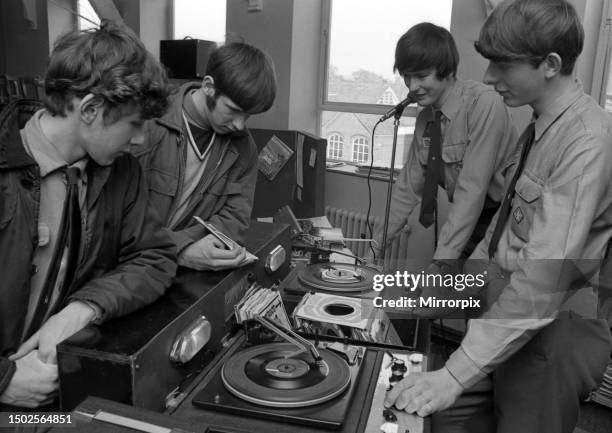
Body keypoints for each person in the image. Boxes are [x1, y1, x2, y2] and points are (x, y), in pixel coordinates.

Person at [385, 1, 612, 432]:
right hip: (505, 314)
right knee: (439, 415)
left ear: (550, 64)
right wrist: (451, 290)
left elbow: (542, 281)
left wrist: (454, 373)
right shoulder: (541, 126)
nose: (488, 76)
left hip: (550, 334)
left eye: (502, 65)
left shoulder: (586, 141)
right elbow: (501, 229)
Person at [0, 21, 177, 409]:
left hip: (55, 399)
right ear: (91, 109)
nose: (141, 140)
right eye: (134, 123)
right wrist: (4, 380)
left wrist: (85, 307)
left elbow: (155, 257)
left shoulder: (123, 173)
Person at [369, 23, 517, 285]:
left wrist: (441, 262)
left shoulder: (484, 105)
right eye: (406, 76)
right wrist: (374, 247)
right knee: (450, 299)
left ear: (446, 70)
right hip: (463, 215)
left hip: (501, 221)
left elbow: (472, 188)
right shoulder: (426, 118)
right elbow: (408, 186)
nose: (412, 87)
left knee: (483, 308)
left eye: (422, 76)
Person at [134, 42, 276, 271]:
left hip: (186, 273)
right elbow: (117, 222)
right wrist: (180, 248)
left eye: (248, 115)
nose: (240, 124)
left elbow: (234, 219)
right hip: (128, 271)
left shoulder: (243, 148)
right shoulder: (146, 125)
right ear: (209, 86)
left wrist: (190, 249)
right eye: (233, 110)